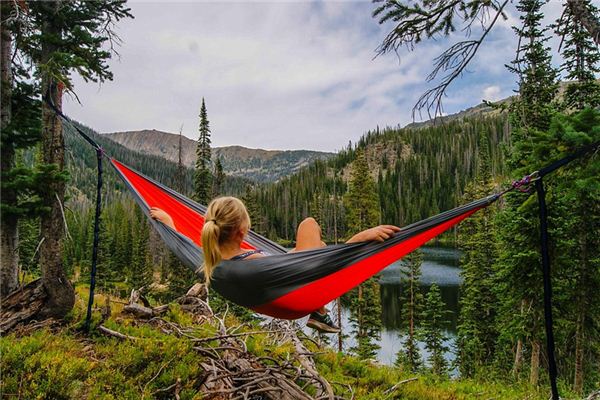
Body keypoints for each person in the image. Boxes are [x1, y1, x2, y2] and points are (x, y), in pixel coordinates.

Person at [150, 196, 400, 333]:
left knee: (319, 245)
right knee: (309, 224)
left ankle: (320, 311)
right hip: (295, 298)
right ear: (241, 231)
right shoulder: (253, 264)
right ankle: (320, 311)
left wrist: (170, 224)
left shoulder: (209, 259)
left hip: (277, 285)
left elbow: (184, 244)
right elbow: (319, 269)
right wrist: (358, 240)